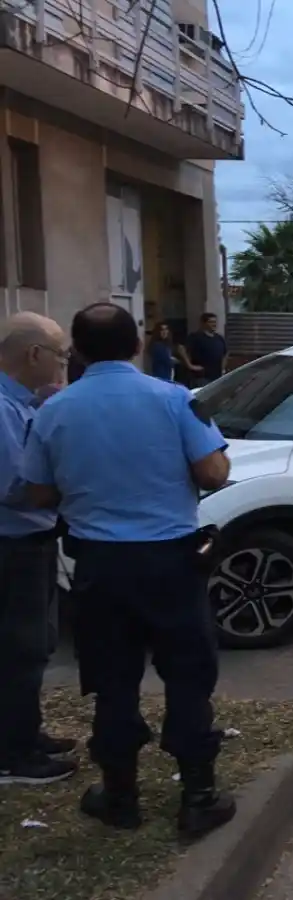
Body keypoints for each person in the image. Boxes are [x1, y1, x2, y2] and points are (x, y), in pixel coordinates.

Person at [21, 303, 236, 837]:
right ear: (137, 347)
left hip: (99, 567)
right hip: (172, 563)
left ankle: (120, 798)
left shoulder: (53, 411)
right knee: (187, 678)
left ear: (78, 352)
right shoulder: (175, 399)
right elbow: (213, 473)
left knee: (113, 683)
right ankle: (198, 797)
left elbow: (39, 493)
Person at [0, 312, 79, 786]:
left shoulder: (23, 403)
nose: (62, 365)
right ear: (34, 355)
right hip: (12, 544)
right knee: (20, 648)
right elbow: (16, 486)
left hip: (31, 540)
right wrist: (75, 487)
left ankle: (26, 733)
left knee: (35, 644)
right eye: (60, 356)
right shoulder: (3, 408)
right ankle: (14, 755)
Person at [180, 313, 226, 387]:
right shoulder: (196, 337)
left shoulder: (219, 338)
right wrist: (190, 365)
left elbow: (225, 353)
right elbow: (181, 348)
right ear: (204, 323)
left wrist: (223, 369)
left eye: (215, 322)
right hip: (202, 377)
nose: (214, 324)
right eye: (211, 322)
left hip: (217, 377)